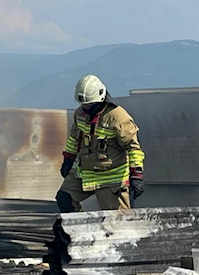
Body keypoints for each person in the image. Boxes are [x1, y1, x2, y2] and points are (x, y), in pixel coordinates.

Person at [55, 75, 145, 213]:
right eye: (84, 104)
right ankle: (79, 230)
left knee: (116, 223)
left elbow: (133, 148)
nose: (86, 107)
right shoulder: (80, 114)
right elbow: (74, 139)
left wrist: (136, 175)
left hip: (111, 180)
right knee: (65, 198)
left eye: (90, 104)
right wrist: (68, 159)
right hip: (85, 173)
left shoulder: (119, 118)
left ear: (101, 99)